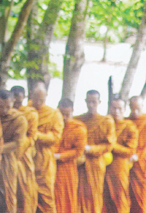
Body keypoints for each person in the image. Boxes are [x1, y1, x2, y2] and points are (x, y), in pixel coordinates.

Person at [75, 90, 115, 213]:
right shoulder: (79, 120)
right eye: (89, 101)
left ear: (99, 102)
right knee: (79, 195)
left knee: (94, 195)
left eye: (94, 102)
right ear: (85, 102)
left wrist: (90, 149)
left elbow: (109, 145)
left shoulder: (106, 121)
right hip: (80, 164)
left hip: (96, 163)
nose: (91, 104)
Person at [30, 85, 64, 213]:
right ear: (31, 95)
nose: (38, 103)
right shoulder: (26, 110)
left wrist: (37, 135)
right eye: (35, 99)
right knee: (27, 194)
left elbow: (55, 137)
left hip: (44, 159)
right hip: (27, 157)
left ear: (46, 97)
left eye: (41, 100)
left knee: (46, 195)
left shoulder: (54, 114)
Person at [103, 97, 137, 213]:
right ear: (109, 108)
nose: (116, 111)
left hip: (119, 166)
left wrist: (112, 145)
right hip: (103, 165)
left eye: (119, 109)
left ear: (125, 109)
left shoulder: (129, 126)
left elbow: (130, 150)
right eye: (114, 108)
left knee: (120, 196)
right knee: (104, 198)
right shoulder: (104, 123)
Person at [0, 89, 27, 213]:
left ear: (13, 102)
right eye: (1, 107)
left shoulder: (19, 119)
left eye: (8, 107)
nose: (4, 111)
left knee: (8, 193)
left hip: (7, 159)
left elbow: (17, 143)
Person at [54, 98, 86, 213]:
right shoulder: (52, 124)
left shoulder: (78, 128)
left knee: (67, 197)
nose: (64, 118)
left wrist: (59, 156)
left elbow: (78, 151)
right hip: (50, 166)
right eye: (62, 114)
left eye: (67, 114)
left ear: (72, 111)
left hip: (67, 168)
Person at [10, 86, 38, 213]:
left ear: (25, 98)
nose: (17, 104)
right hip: (6, 153)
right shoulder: (5, 112)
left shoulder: (30, 114)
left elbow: (32, 136)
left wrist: (19, 146)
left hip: (23, 155)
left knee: (25, 189)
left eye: (19, 102)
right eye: (14, 101)